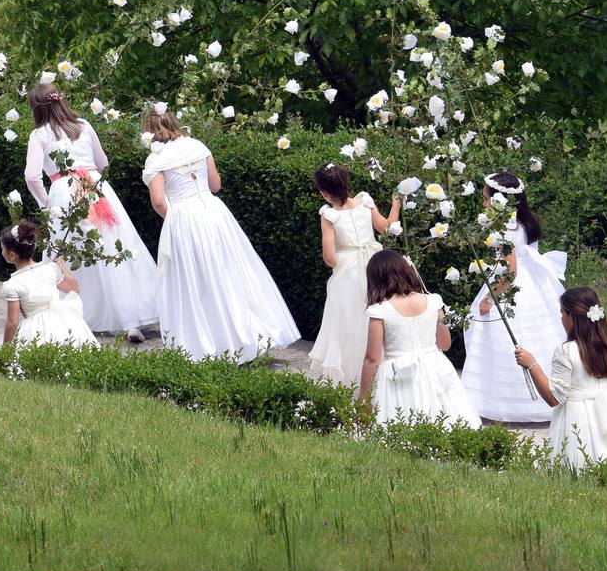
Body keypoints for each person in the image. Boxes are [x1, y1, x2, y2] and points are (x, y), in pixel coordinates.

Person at [141, 108, 301, 361]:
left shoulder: (156, 159)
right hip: (215, 214)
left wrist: (175, 218)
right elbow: (215, 185)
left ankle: (210, 342)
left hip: (184, 218)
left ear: (148, 130)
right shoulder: (197, 146)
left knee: (196, 280)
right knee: (230, 272)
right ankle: (246, 336)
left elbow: (159, 202)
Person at [24, 83, 160, 341]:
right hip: (97, 188)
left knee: (71, 253)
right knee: (113, 247)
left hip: (64, 190)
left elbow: (31, 176)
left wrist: (46, 203)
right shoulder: (84, 125)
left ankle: (74, 314)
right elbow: (103, 162)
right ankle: (129, 319)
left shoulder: (40, 135)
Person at [514, 287, 607, 470]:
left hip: (576, 419)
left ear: (571, 317)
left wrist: (532, 365)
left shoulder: (566, 351)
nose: (561, 318)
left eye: (562, 313)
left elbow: (554, 398)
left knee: (578, 464)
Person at [461, 172, 567, 423]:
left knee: (504, 337)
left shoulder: (504, 227)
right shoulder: (523, 221)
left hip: (515, 286)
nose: (484, 204)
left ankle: (514, 403)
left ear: (498, 200)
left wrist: (490, 298)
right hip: (539, 285)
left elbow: (510, 272)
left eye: (486, 199)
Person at [358, 249, 480, 429]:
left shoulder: (380, 310)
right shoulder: (433, 302)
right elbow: (445, 344)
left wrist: (364, 399)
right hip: (435, 367)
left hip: (398, 372)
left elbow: (372, 359)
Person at [308, 162, 400, 385]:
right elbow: (386, 227)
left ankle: (351, 381)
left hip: (347, 274)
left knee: (349, 326)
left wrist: (346, 259)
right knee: (381, 318)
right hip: (376, 267)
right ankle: (385, 379)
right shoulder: (365, 202)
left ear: (324, 193)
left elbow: (329, 257)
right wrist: (395, 204)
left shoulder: (329, 215)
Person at [0, 220, 98, 347]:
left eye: (2, 249)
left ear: (12, 255)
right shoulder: (51, 269)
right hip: (62, 323)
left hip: (34, 330)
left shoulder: (12, 285)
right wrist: (61, 267)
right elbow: (74, 289)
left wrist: (5, 350)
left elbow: (12, 322)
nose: (2, 252)